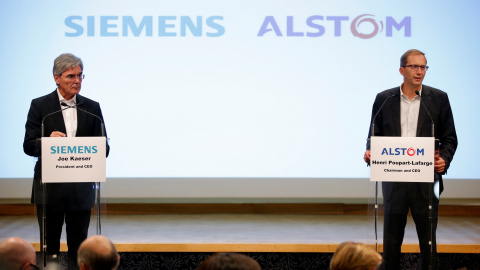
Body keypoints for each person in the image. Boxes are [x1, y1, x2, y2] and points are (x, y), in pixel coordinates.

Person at [364, 49, 457, 269]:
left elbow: (450, 138)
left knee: (428, 241)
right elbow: (373, 136)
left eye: (423, 67)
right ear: (402, 70)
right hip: (394, 180)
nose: (419, 71)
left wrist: (444, 159)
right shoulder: (384, 99)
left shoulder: (439, 98)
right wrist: (370, 152)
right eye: (414, 66)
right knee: (392, 241)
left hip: (427, 181)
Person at [23, 53, 109, 269]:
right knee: (49, 251)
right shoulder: (40, 106)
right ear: (56, 77)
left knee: (78, 251)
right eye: (71, 76)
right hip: (49, 190)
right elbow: (28, 146)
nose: (77, 80)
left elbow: (104, 148)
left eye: (80, 76)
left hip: (80, 190)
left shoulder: (92, 108)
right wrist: (47, 142)